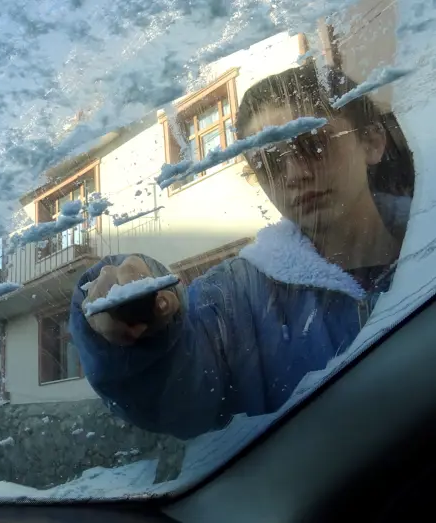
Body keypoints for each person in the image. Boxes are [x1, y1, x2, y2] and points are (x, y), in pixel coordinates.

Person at [69, 60, 415, 440]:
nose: (294, 175)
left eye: (313, 144)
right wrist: (143, 322)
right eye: (268, 161)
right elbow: (179, 396)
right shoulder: (238, 296)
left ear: (372, 141)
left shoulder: (424, 242)